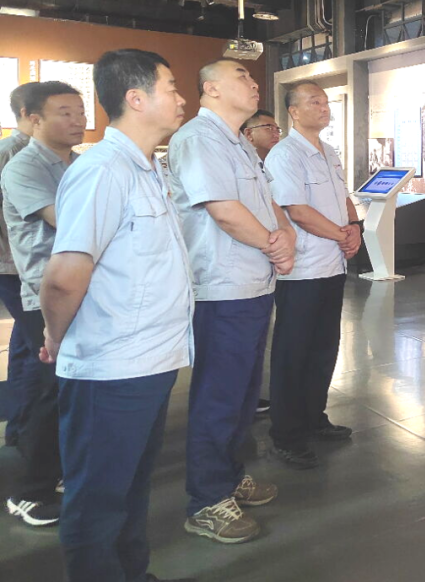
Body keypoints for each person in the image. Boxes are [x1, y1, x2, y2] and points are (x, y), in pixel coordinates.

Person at [38, 49, 194, 582]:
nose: (182, 99)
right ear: (136, 98)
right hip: (110, 368)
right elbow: (64, 277)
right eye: (171, 87)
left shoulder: (145, 167)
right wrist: (55, 338)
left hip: (148, 361)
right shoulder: (102, 171)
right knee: (99, 499)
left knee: (130, 489)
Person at [168, 58, 294, 544]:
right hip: (221, 288)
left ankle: (228, 475)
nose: (252, 81)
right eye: (240, 75)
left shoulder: (238, 141)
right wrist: (275, 245)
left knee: (242, 394)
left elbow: (266, 202)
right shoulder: (198, 139)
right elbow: (223, 210)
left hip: (252, 283)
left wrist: (285, 234)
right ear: (211, 88)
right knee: (219, 396)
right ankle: (205, 501)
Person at [264, 82, 361, 469]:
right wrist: (342, 235)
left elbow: (344, 198)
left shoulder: (329, 151)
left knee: (324, 347)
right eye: (314, 102)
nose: (324, 107)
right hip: (301, 270)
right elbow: (297, 211)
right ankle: (286, 434)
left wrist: (355, 228)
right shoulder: (285, 154)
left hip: (332, 264)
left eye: (325, 101)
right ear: (293, 111)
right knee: (293, 353)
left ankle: (313, 417)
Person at [2, 81, 85, 526]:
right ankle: (30, 492)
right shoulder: (23, 167)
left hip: (86, 289)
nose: (78, 120)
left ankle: (62, 470)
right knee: (50, 390)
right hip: (47, 295)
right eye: (65, 113)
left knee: (76, 387)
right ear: (34, 119)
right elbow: (71, 222)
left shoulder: (80, 163)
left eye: (80, 111)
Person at [1, 83, 36, 449]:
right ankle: (25, 431)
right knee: (36, 344)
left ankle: (20, 427)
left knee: (26, 346)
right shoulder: (12, 153)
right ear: (28, 114)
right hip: (14, 266)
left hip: (23, 265)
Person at [242, 107, 282, 417]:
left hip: (267, 266)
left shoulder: (264, 164)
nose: (275, 132)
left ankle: (250, 398)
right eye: (267, 127)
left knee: (256, 342)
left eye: (277, 127)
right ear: (249, 134)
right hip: (242, 268)